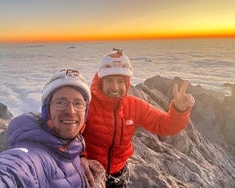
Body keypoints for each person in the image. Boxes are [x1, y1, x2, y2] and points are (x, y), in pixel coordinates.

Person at [0, 68, 104, 187]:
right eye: (60, 102)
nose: (71, 111)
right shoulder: (35, 155)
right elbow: (6, 173)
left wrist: (80, 160)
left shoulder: (70, 148)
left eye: (78, 103)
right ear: (46, 111)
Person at [81, 48, 195, 187]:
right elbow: (69, 136)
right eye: (109, 80)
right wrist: (80, 158)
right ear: (101, 82)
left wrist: (178, 110)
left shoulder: (133, 106)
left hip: (118, 175)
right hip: (88, 175)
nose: (115, 87)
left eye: (120, 81)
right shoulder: (87, 104)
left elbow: (164, 124)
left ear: (127, 83)